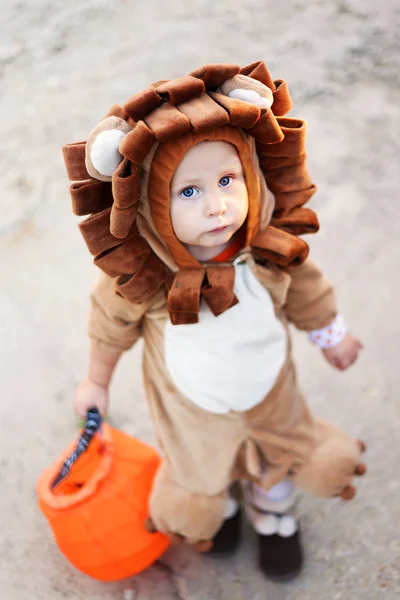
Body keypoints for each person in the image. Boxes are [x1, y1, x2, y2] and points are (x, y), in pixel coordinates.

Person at [63, 61, 366, 580]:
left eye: (227, 179)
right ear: (147, 206)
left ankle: (273, 519)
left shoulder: (266, 249)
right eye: (188, 192)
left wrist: (329, 334)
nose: (217, 207)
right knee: (202, 468)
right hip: (192, 412)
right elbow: (109, 324)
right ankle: (220, 510)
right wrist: (96, 381)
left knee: (277, 458)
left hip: (272, 391)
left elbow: (307, 289)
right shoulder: (146, 276)